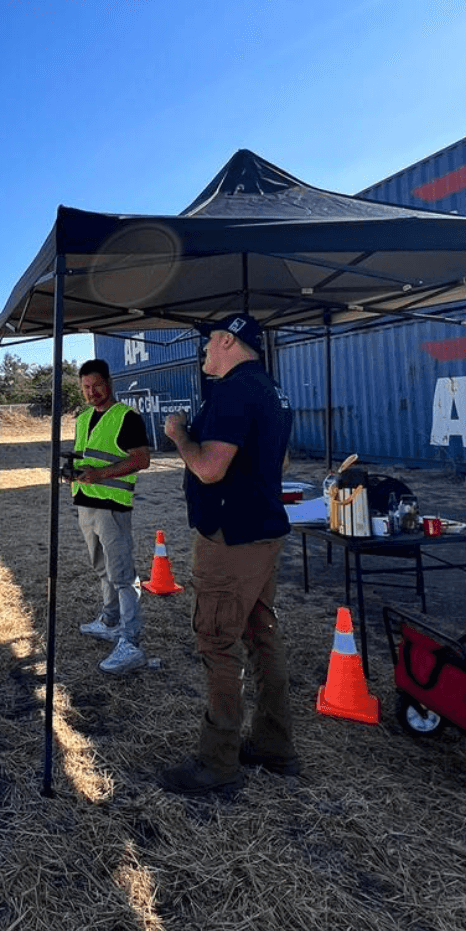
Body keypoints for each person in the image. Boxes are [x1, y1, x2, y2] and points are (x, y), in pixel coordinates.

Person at [159, 313, 298, 797]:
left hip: (230, 537)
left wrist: (178, 435)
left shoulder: (233, 392)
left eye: (206, 345)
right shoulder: (272, 390)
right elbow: (279, 461)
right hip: (263, 531)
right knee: (263, 635)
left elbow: (210, 469)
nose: (202, 354)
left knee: (218, 642)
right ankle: (275, 745)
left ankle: (216, 761)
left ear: (226, 341)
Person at [71, 358, 151, 675]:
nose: (91, 393)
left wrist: (101, 474)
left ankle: (130, 641)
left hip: (112, 506)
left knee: (121, 573)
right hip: (86, 503)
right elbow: (83, 457)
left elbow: (142, 459)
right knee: (102, 568)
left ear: (109, 383)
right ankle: (109, 620)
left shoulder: (127, 417)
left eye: (96, 386)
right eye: (86, 388)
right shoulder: (82, 419)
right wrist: (72, 472)